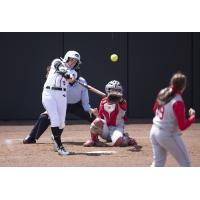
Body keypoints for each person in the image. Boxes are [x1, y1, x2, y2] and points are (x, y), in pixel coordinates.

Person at [23, 51, 97, 147]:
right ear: (66, 59)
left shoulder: (80, 79)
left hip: (77, 106)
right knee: (45, 117)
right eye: (71, 60)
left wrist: (90, 110)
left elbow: (85, 102)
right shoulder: (57, 71)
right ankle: (32, 137)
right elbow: (62, 71)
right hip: (61, 103)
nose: (72, 63)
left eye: (75, 62)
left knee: (95, 118)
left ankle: (108, 135)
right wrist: (67, 75)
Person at [150, 72, 196, 167]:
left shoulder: (163, 91)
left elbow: (155, 109)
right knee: (186, 164)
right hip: (167, 134)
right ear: (183, 86)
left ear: (172, 82)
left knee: (158, 164)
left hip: (154, 131)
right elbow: (182, 126)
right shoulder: (177, 101)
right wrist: (192, 117)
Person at [83, 80, 140, 149]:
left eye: (117, 90)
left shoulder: (123, 102)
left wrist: (117, 98)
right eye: (113, 90)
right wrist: (97, 115)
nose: (115, 92)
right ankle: (94, 140)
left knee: (118, 143)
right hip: (105, 129)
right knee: (97, 121)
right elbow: (101, 118)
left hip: (117, 129)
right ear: (108, 90)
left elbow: (121, 101)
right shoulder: (103, 102)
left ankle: (127, 138)